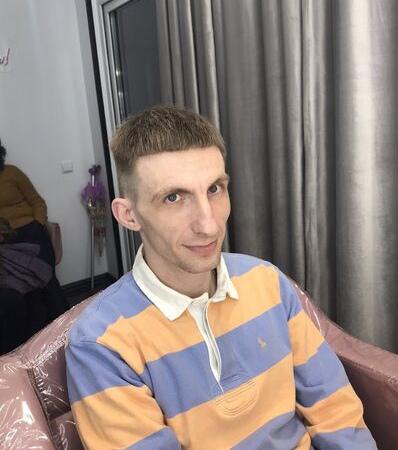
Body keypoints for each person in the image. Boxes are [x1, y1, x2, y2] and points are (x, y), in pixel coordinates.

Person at [66, 105, 377, 449]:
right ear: (129, 215)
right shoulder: (102, 344)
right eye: (173, 197)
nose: (209, 225)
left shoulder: (266, 281)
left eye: (214, 188)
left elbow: (335, 409)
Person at [0, 139, 69, 352]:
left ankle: (68, 332)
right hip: (4, 241)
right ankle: (34, 347)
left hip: (30, 232)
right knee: (20, 291)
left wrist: (38, 224)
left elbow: (37, 201)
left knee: (47, 280)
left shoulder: (12, 173)